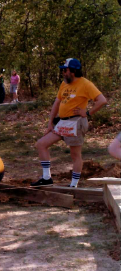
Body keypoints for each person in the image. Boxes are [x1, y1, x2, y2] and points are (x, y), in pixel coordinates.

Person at [31, 58, 107, 188]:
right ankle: (46, 178)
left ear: (73, 71)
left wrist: (88, 113)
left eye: (65, 70)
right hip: (62, 122)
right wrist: (50, 123)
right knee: (41, 144)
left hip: (76, 122)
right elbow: (57, 102)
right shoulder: (64, 84)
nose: (62, 73)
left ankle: (73, 185)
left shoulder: (86, 84)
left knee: (75, 155)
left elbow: (102, 100)